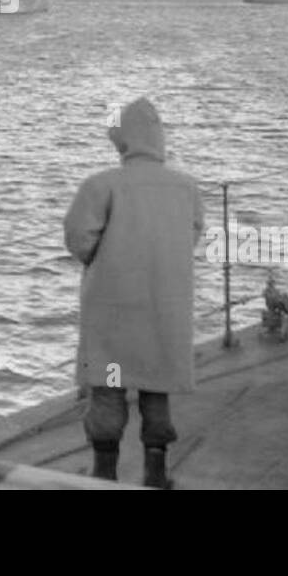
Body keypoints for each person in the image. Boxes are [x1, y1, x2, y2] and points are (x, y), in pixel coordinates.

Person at [63, 97, 205, 488]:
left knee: (109, 387)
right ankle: (155, 473)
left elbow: (79, 238)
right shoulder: (185, 187)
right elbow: (191, 234)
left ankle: (104, 474)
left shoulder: (101, 185)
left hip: (114, 316)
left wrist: (103, 259)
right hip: (164, 313)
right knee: (156, 388)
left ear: (122, 140)